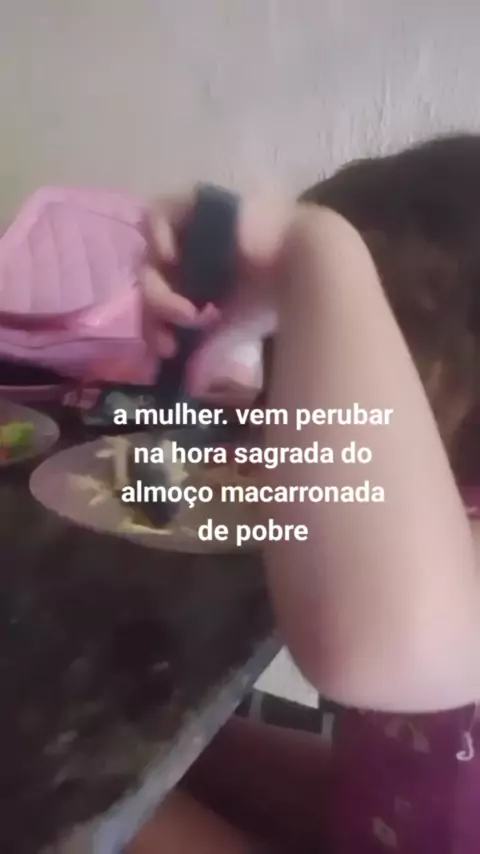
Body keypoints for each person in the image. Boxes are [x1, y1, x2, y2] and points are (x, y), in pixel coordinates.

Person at [128, 135, 480, 853]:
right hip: (391, 822)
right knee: (154, 755)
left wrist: (316, 251)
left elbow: (374, 649)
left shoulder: (406, 611)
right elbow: (402, 789)